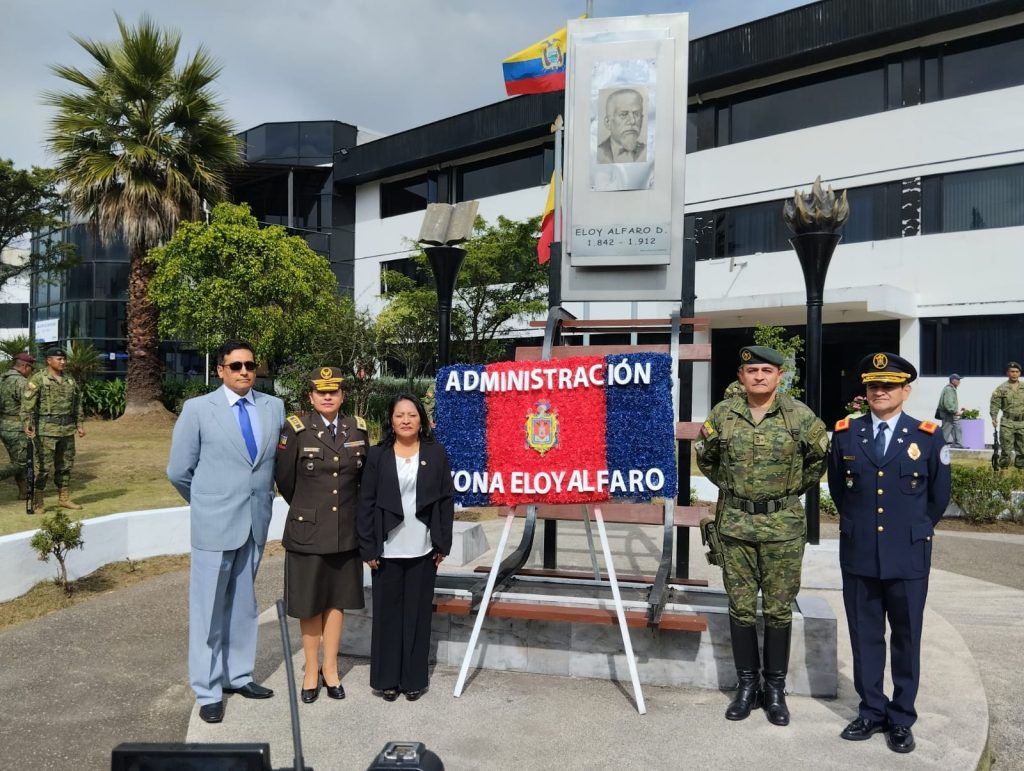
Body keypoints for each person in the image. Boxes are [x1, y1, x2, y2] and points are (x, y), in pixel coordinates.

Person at [696, 346, 828, 726]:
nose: (758, 376)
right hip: (735, 527)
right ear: (741, 376)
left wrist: (783, 496)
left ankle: (774, 690)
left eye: (766, 370)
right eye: (751, 370)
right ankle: (746, 686)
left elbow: (818, 461)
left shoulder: (798, 415)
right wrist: (735, 489)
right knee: (739, 608)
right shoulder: (724, 414)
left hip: (782, 530)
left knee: (777, 610)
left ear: (778, 376)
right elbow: (706, 458)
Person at [828, 352, 951, 754]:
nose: (879, 391)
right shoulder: (847, 433)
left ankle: (901, 718)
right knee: (865, 636)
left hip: (908, 553)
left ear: (905, 390)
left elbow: (938, 498)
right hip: (860, 550)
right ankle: (870, 711)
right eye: (873, 385)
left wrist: (911, 531)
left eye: (888, 385)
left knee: (906, 636)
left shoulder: (928, 436)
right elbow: (839, 491)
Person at [167, 339, 285, 724]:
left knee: (243, 606)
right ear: (220, 370)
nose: (244, 372)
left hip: (254, 521)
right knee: (208, 610)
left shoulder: (274, 407)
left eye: (249, 365)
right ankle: (208, 688)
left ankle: (238, 675)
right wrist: (205, 502)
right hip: (213, 523)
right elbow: (179, 471)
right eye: (235, 366)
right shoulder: (199, 410)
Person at [275, 367, 369, 704]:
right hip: (308, 531)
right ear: (311, 397)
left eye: (333, 391)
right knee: (309, 603)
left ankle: (331, 668)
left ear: (342, 396)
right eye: (320, 392)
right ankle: (311, 669)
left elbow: (363, 480)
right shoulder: (296, 430)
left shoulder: (357, 429)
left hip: (346, 533)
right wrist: (310, 509)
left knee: (336, 602)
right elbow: (286, 481)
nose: (327, 397)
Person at [357, 393, 454, 702]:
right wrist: (368, 547)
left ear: (421, 420)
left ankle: (413, 679)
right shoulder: (378, 455)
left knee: (417, 616)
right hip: (386, 549)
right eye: (399, 415)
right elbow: (366, 502)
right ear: (391, 420)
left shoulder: (436, 453)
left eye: (412, 415)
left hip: (423, 547)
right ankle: (387, 680)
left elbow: (445, 501)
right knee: (387, 616)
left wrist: (443, 542)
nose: (406, 420)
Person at [20, 346, 85, 513]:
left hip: (66, 430)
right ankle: (38, 502)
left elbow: (77, 404)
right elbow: (27, 406)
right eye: (59, 359)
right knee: (43, 467)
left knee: (65, 465)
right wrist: (27, 424)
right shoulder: (38, 380)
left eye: (64, 359)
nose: (63, 362)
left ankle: (63, 498)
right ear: (49, 360)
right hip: (45, 431)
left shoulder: (70, 380)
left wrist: (79, 424)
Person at [1, 353, 35, 499]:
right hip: (16, 427)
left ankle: (24, 492)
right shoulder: (21, 382)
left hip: (3, 425)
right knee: (21, 462)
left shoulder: (2, 379)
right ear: (24, 366)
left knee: (17, 460)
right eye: (30, 368)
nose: (31, 372)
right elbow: (29, 405)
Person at [596, 88, 646, 164]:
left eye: (636, 114)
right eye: (623, 114)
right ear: (608, 122)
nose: (632, 121)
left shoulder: (647, 150)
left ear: (642, 118)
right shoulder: (598, 152)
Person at [990, 361, 1024, 469]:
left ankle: (1020, 472)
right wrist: (994, 418)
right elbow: (994, 404)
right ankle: (1003, 473)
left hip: (1022, 423)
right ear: (1007, 373)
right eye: (1012, 371)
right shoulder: (1001, 388)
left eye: (1016, 371)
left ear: (1020, 373)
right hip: (1007, 423)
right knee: (1006, 450)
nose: (1014, 374)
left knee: (1023, 450)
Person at [936, 373, 963, 447]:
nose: (959, 382)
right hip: (948, 414)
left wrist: (956, 411)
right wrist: (955, 411)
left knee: (957, 427)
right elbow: (948, 403)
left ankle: (959, 444)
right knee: (946, 430)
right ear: (953, 380)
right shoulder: (949, 389)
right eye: (958, 380)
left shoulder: (951, 389)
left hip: (951, 414)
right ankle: (940, 446)